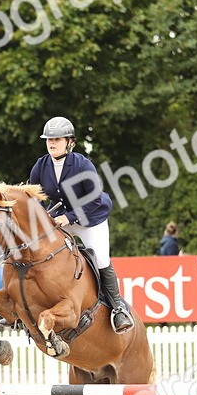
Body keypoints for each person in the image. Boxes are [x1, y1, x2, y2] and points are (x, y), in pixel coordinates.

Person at [28, 115, 134, 333]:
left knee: (102, 259)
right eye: (49, 139)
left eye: (57, 139)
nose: (52, 143)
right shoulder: (41, 165)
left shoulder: (82, 164)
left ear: (70, 142)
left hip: (90, 217)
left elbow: (94, 198)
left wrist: (70, 217)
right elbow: (33, 197)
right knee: (36, 247)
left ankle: (118, 308)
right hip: (61, 217)